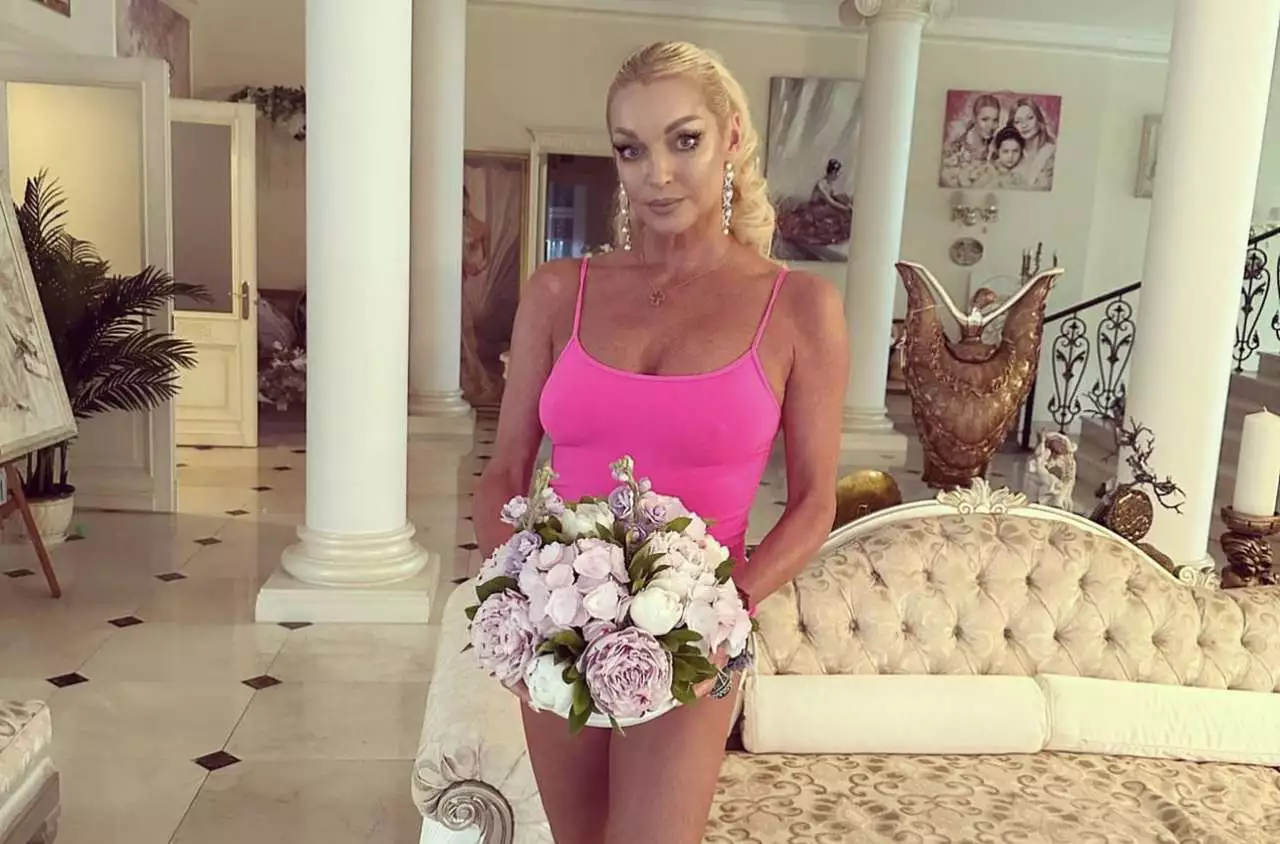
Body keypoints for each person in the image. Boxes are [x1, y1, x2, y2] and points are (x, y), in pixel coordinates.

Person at [472, 40, 847, 844]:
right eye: (631, 149)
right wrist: (519, 594)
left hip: (695, 638)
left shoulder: (801, 308)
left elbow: (816, 502)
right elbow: (504, 468)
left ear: (732, 137)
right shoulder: (557, 292)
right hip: (560, 621)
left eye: (685, 140)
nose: (658, 174)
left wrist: (724, 613)